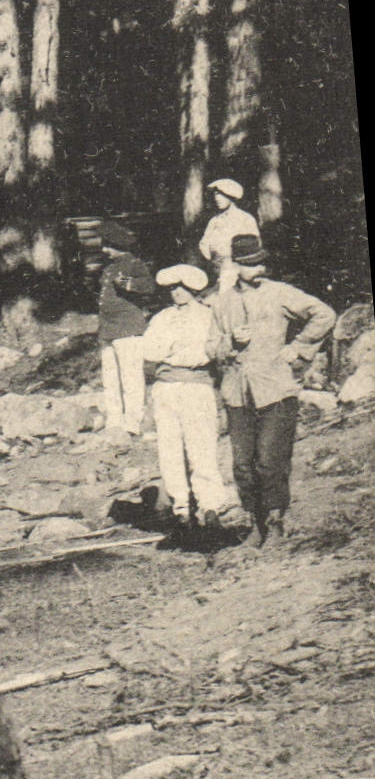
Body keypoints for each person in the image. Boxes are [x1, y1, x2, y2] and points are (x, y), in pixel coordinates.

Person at [207, 235, 335, 547]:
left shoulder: (279, 293)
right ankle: (255, 524)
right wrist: (230, 342)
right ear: (236, 266)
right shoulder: (221, 303)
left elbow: (324, 315)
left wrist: (298, 348)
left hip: (275, 390)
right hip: (238, 393)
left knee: (269, 459)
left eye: (261, 263)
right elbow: (210, 347)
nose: (259, 269)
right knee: (243, 465)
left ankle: (275, 522)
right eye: (251, 265)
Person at [139, 264, 235, 527]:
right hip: (166, 387)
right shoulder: (162, 318)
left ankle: (210, 505)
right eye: (173, 288)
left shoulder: (207, 316)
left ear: (194, 289)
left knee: (202, 446)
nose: (177, 292)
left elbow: (209, 352)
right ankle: (180, 507)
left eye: (183, 287)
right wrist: (173, 346)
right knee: (169, 448)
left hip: (197, 386)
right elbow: (150, 351)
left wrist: (178, 349)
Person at [95, 221, 157, 438]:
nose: (104, 250)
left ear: (119, 245)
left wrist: (128, 284)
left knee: (131, 377)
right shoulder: (108, 268)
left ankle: (133, 422)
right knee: (110, 378)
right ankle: (114, 419)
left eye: (107, 246)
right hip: (108, 330)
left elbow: (149, 286)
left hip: (128, 328)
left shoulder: (134, 264)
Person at [197, 178, 261, 293]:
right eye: (216, 194)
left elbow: (254, 245)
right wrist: (215, 259)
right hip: (216, 270)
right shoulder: (214, 221)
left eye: (221, 195)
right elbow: (204, 243)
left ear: (232, 196)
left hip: (238, 271)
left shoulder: (245, 219)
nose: (217, 198)